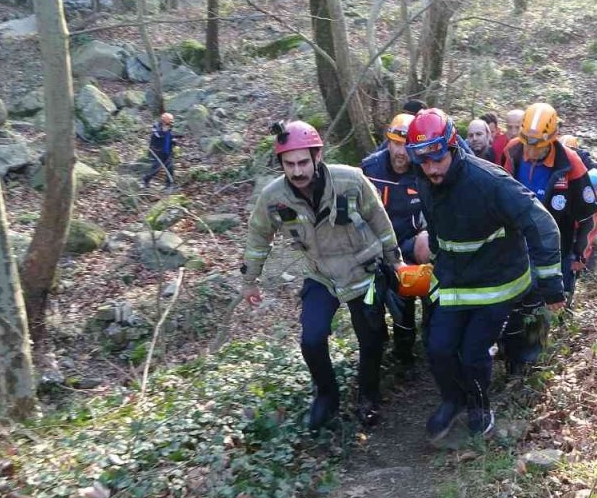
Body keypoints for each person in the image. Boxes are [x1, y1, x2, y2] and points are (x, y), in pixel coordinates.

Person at [405, 108, 563, 440]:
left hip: (497, 281)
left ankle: (479, 406)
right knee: (439, 347)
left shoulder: (488, 181)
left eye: (436, 159)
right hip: (455, 280)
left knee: (474, 351)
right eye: (423, 160)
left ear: (451, 147)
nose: (431, 168)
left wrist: (551, 285)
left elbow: (542, 225)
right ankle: (452, 400)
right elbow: (437, 225)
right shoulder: (424, 177)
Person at [241, 121, 402, 430]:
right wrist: (250, 280)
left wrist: (395, 262)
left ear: (318, 157)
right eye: (289, 164)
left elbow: (379, 220)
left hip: (362, 271)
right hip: (320, 274)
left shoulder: (350, 180)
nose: (297, 171)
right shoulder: (274, 197)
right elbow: (258, 235)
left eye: (303, 162)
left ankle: (368, 396)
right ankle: (327, 395)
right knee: (312, 339)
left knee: (370, 339)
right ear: (281, 164)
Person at [501, 104, 597, 354]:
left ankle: (532, 362)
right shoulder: (512, 152)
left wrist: (579, 253)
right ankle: (510, 351)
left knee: (544, 307)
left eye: (538, 145)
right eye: (527, 144)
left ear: (552, 139)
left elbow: (588, 215)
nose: (531, 151)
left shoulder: (571, 164)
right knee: (513, 303)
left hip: (557, 248)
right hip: (515, 246)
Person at [361, 113, 431, 371]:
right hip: (378, 246)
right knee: (387, 300)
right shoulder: (370, 169)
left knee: (420, 290)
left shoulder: (424, 169)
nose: (401, 152)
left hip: (412, 242)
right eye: (396, 144)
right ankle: (400, 354)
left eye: (406, 145)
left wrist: (428, 233)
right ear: (388, 142)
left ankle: (431, 341)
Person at [143, 113, 179, 190]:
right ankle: (146, 179)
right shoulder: (156, 126)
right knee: (156, 168)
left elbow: (171, 136)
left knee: (170, 167)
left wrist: (173, 141)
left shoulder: (170, 127)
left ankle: (169, 185)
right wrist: (164, 130)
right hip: (157, 152)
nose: (171, 123)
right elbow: (158, 135)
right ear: (164, 121)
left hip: (167, 151)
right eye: (169, 121)